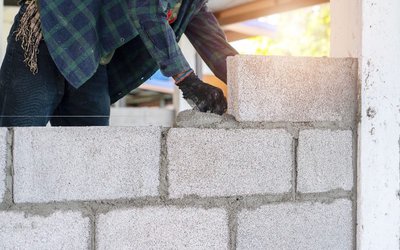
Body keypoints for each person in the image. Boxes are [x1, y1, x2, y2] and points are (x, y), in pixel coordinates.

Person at [0, 0, 238, 126]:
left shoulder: (192, 3)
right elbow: (147, 11)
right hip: (49, 32)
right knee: (18, 137)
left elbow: (212, 42)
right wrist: (188, 81)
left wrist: (249, 81)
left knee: (92, 149)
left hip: (91, 56)